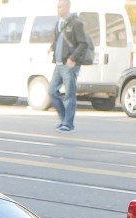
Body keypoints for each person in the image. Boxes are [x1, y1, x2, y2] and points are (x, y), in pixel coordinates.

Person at [50, 0, 89, 133]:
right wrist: (52, 47)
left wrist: (73, 58)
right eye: (57, 7)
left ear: (67, 8)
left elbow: (83, 44)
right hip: (59, 64)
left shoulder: (76, 24)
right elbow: (58, 40)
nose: (58, 9)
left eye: (60, 7)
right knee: (52, 91)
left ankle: (68, 123)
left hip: (69, 64)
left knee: (69, 95)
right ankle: (64, 119)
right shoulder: (59, 23)